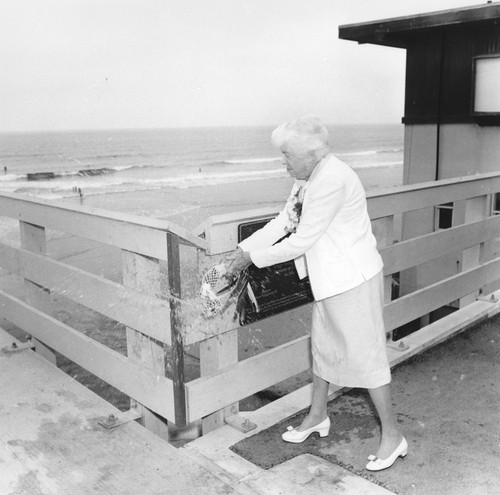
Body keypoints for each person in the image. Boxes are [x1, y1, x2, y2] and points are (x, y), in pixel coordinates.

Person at [225, 115, 406, 471]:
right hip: (329, 281)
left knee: (366, 357)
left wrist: (250, 259)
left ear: (311, 153)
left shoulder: (332, 180)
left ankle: (393, 435)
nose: (284, 162)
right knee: (322, 347)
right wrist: (241, 251)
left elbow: (302, 239)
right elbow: (282, 222)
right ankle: (318, 416)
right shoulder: (307, 177)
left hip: (352, 280)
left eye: (288, 155)